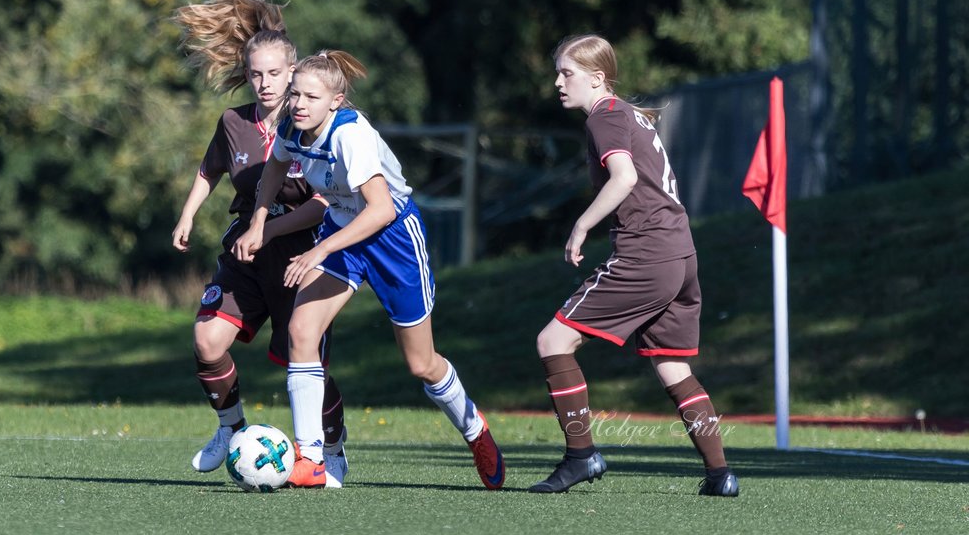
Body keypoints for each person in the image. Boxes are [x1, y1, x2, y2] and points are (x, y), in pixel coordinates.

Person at [233, 50, 504, 490]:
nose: (299, 104)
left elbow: (379, 212)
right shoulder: (291, 127)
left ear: (336, 101)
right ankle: (312, 458)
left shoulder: (351, 136)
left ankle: (476, 431)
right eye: (295, 94)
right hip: (344, 234)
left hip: (392, 238)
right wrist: (260, 223)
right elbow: (274, 170)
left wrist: (318, 252)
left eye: (311, 97)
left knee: (421, 363)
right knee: (301, 332)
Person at [528, 33, 739, 497]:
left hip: (647, 253)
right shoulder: (629, 115)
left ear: (597, 78)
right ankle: (721, 474)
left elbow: (623, 177)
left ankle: (581, 457)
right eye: (558, 72)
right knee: (672, 367)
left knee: (553, 340)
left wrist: (581, 226)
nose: (558, 82)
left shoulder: (605, 117)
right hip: (681, 254)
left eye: (568, 73)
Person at [171, 0, 349, 487]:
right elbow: (210, 170)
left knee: (306, 360)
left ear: (294, 70)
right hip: (246, 253)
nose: (265, 83)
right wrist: (188, 215)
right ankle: (231, 429)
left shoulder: (317, 124)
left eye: (275, 74)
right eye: (256, 75)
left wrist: (266, 229)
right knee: (207, 340)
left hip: (304, 255)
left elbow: (325, 203)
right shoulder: (233, 122)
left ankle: (331, 449)